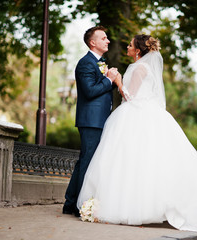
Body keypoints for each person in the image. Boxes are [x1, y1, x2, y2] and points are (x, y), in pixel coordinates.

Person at [77, 34, 197, 240]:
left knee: (131, 162)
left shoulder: (139, 68)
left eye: (130, 45)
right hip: (146, 113)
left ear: (138, 51)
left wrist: (119, 81)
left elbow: (130, 96)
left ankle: (133, 206)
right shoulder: (144, 67)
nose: (127, 46)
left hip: (135, 115)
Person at [62, 26, 119, 217]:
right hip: (91, 121)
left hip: (100, 119)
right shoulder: (86, 63)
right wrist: (109, 80)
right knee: (88, 162)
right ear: (92, 42)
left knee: (85, 161)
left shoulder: (100, 62)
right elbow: (89, 91)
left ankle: (71, 203)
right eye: (103, 38)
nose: (108, 41)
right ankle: (80, 205)